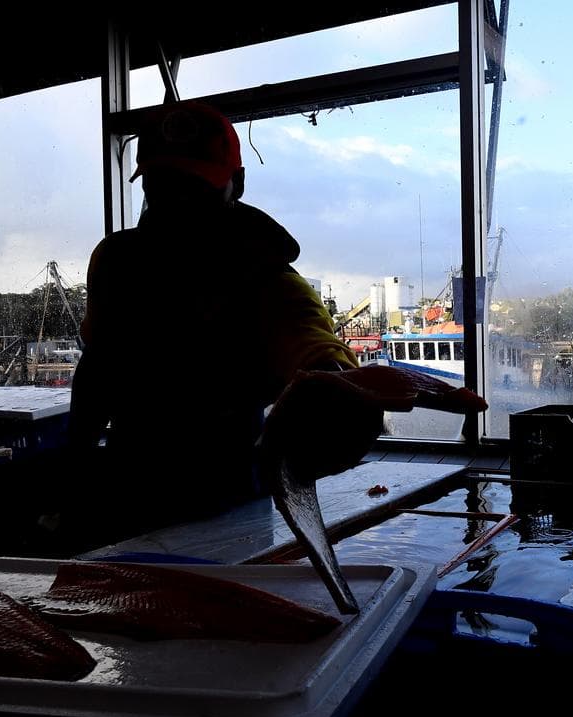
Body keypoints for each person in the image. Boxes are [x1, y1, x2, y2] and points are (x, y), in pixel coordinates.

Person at [65, 100, 376, 539]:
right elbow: (98, 366)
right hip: (126, 477)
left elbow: (315, 348)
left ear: (238, 184)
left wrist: (336, 382)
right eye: (160, 184)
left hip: (226, 492)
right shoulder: (115, 261)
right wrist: (74, 472)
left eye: (194, 187)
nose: (176, 203)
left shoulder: (268, 278)